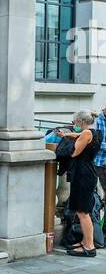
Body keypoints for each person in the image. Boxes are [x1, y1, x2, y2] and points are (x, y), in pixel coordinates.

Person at [55, 111, 102, 258]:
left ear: (81, 121)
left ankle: (89, 246)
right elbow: (79, 136)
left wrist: (65, 145)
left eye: (75, 121)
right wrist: (66, 135)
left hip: (83, 175)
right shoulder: (94, 132)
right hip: (87, 173)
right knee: (83, 210)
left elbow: (74, 153)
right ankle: (85, 241)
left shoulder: (86, 134)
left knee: (83, 212)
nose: (73, 124)